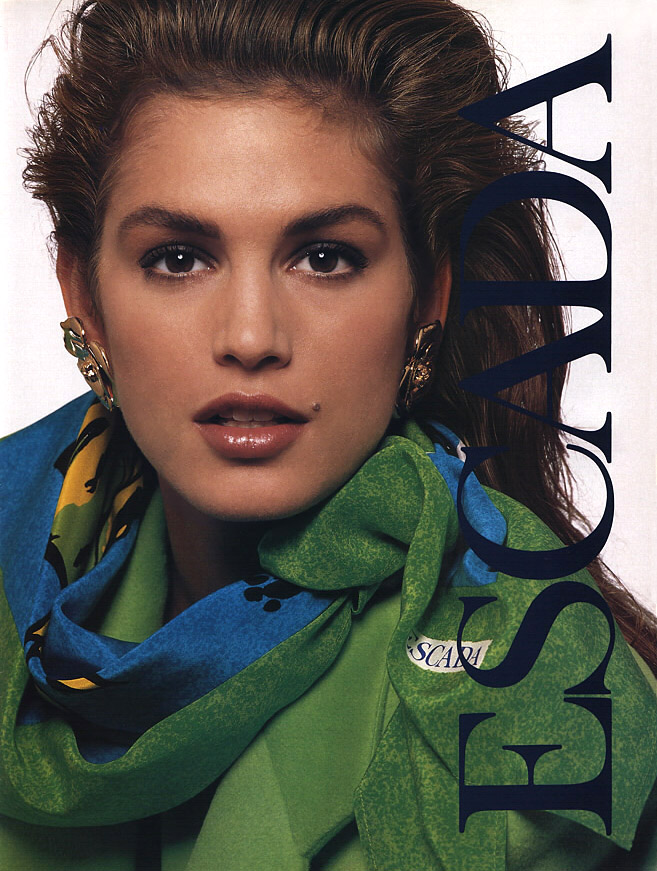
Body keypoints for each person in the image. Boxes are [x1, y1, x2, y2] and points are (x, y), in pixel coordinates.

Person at [1, 0, 655, 869]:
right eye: (178, 258)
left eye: (324, 257)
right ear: (84, 296)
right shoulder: (19, 559)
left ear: (427, 298)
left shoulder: (547, 692)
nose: (250, 336)